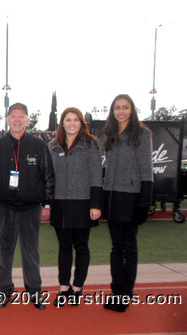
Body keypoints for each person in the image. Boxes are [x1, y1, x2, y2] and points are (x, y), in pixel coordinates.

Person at [0, 102, 54, 309]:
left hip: (31, 207)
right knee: (4, 251)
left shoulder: (39, 145)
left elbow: (48, 177)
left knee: (31, 252)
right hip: (5, 207)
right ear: (7, 120)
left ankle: (35, 292)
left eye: (21, 116)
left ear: (27, 120)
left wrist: (47, 204)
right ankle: (4, 291)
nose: (17, 120)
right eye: (13, 116)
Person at [101, 94, 153, 312]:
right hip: (111, 197)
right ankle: (116, 292)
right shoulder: (109, 134)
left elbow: (146, 170)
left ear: (132, 110)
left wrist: (144, 203)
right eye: (117, 108)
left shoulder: (142, 134)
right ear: (112, 111)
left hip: (131, 197)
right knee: (116, 247)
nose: (121, 111)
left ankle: (125, 295)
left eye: (125, 107)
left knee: (129, 248)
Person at [47, 107, 102, 307]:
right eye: (68, 120)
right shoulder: (52, 146)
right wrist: (48, 199)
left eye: (75, 120)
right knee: (63, 247)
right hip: (60, 204)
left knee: (81, 246)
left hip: (83, 203)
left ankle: (77, 287)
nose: (72, 123)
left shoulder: (92, 144)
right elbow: (49, 177)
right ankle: (63, 287)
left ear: (81, 123)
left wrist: (95, 204)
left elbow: (97, 175)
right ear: (62, 123)